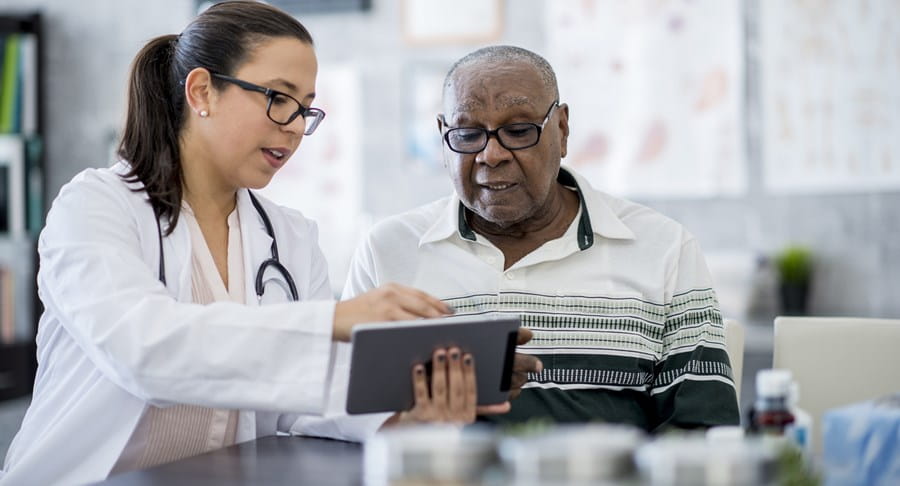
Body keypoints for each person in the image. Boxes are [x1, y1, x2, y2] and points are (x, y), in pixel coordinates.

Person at [0, 3, 503, 485]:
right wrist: (331, 321)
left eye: (306, 109)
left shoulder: (289, 237)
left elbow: (303, 397)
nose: (295, 128)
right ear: (202, 92)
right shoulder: (95, 206)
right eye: (278, 98)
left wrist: (406, 414)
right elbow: (143, 351)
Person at [341, 45, 741, 432]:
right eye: (467, 134)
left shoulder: (663, 249)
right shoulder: (387, 251)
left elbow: (702, 431)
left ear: (562, 130)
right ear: (443, 137)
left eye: (518, 131)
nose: (491, 155)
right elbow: (339, 418)